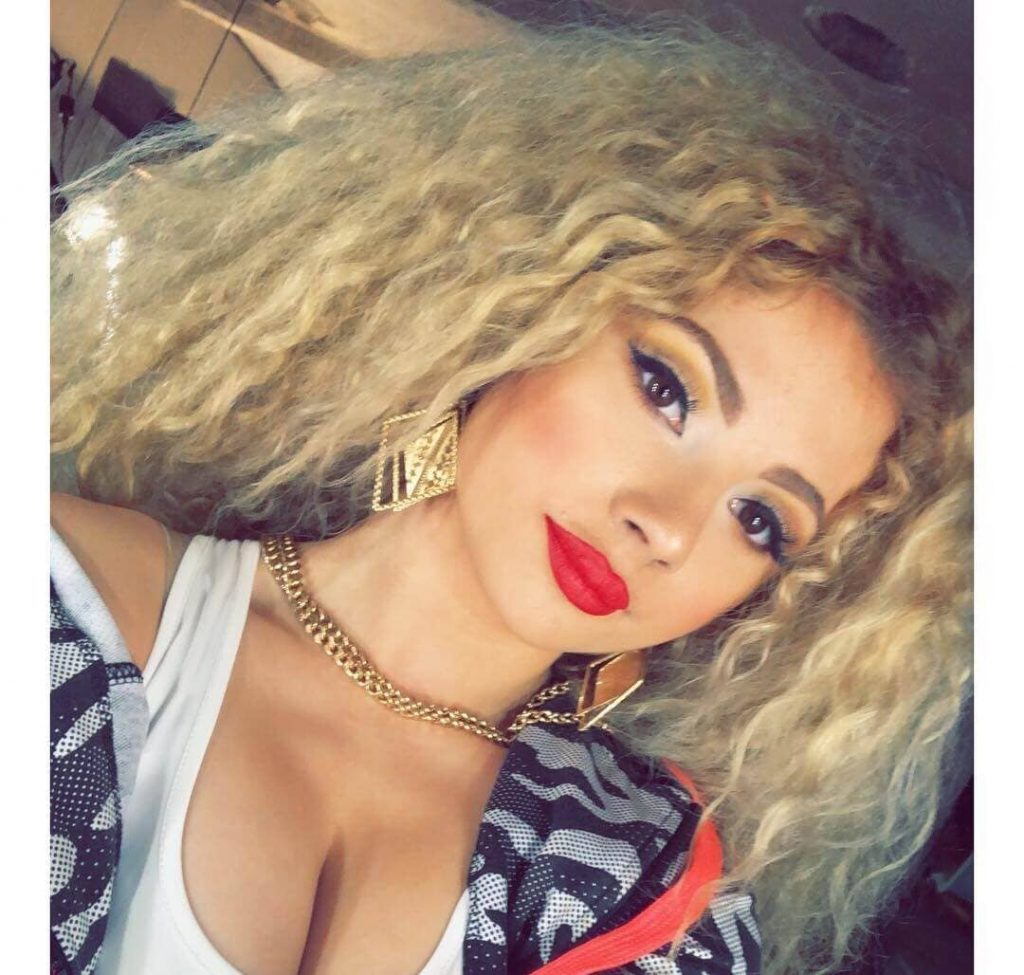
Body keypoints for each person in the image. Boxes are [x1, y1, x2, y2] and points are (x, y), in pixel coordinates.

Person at [49, 21, 972, 975]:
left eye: (760, 520)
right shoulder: (71, 601)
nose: (666, 525)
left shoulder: (648, 895)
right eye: (667, 388)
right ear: (518, 311)